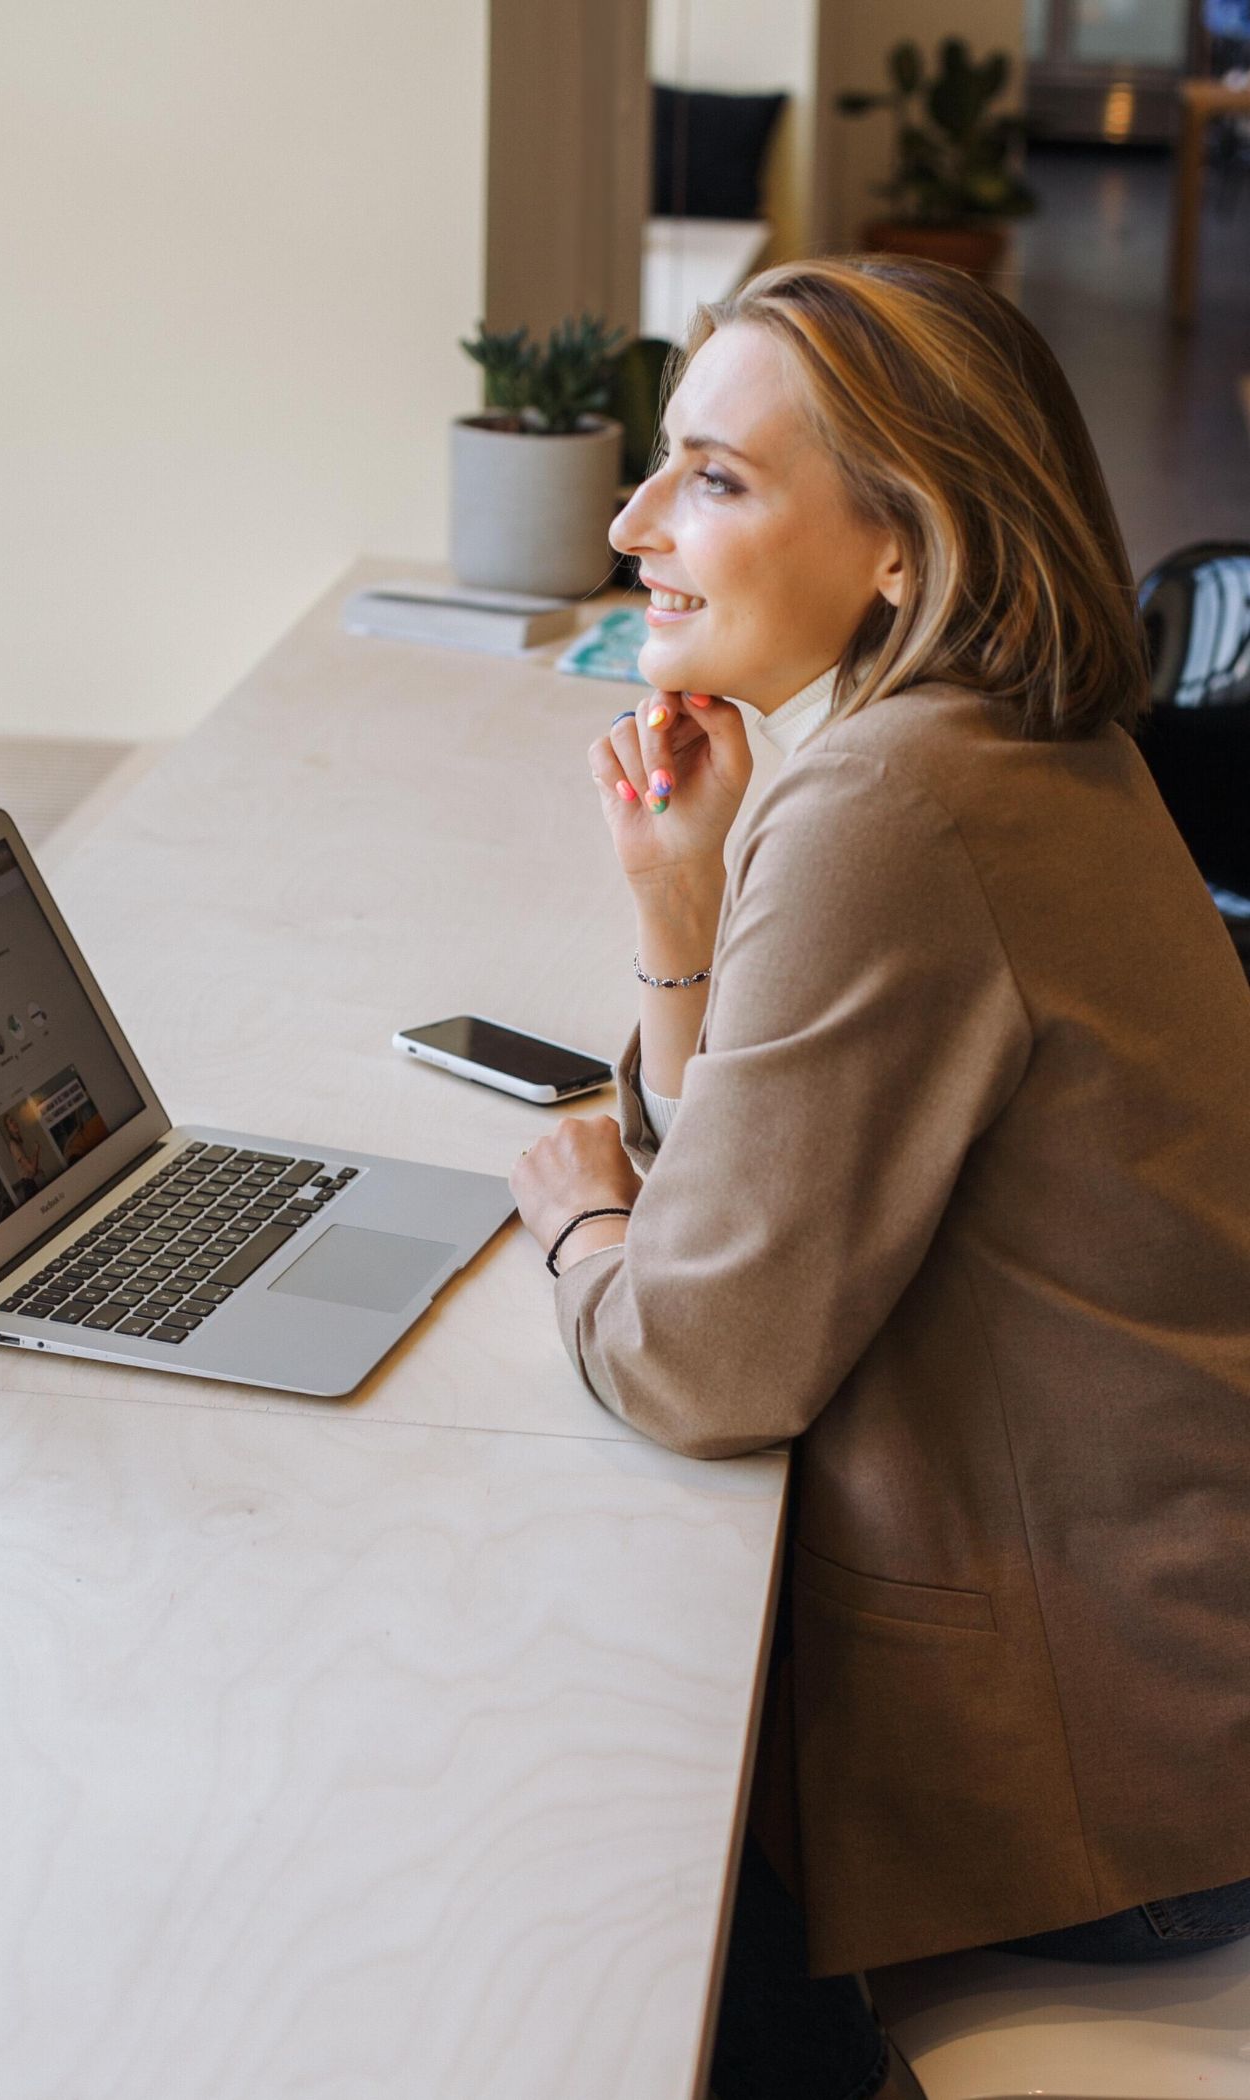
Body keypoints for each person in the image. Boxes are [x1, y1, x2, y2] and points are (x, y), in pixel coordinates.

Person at [510, 258, 1250, 2100]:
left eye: (716, 477)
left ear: (904, 548)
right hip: (1177, 1694)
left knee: (578, 1820)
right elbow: (767, 1216)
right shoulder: (993, 741)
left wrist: (576, 1219)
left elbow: (699, 1355)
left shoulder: (894, 809)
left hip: (1099, 1782)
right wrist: (685, 923)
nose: (632, 518)